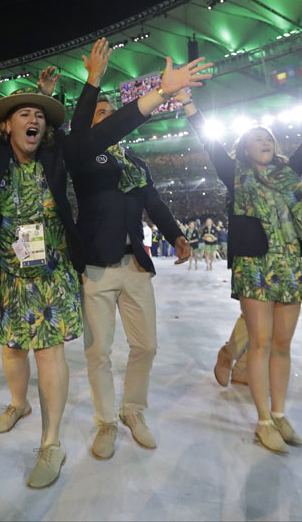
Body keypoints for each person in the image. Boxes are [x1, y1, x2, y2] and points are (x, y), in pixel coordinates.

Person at [0, 36, 211, 487]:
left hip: (53, 273)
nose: (34, 118)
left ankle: (51, 442)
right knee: (13, 349)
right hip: (9, 272)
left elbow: (109, 129)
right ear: (5, 127)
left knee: (49, 353)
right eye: (24, 114)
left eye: (39, 114)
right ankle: (18, 405)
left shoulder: (61, 154)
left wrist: (159, 92)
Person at [178, 70, 302, 454]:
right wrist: (188, 103)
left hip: (287, 263)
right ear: (244, 148)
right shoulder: (233, 174)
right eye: (256, 138)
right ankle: (263, 421)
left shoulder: (287, 174)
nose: (264, 140)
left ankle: (281, 413)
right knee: (260, 343)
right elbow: (208, 140)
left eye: (268, 137)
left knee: (283, 345)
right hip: (254, 265)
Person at [66, 41, 191, 459]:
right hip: (97, 267)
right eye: (103, 114)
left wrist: (174, 234)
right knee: (98, 351)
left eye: (111, 113)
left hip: (135, 264)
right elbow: (80, 133)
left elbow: (153, 202)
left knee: (146, 346)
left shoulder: (135, 163)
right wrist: (91, 85)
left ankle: (132, 410)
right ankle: (105, 422)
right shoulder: (84, 158)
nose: (110, 121)